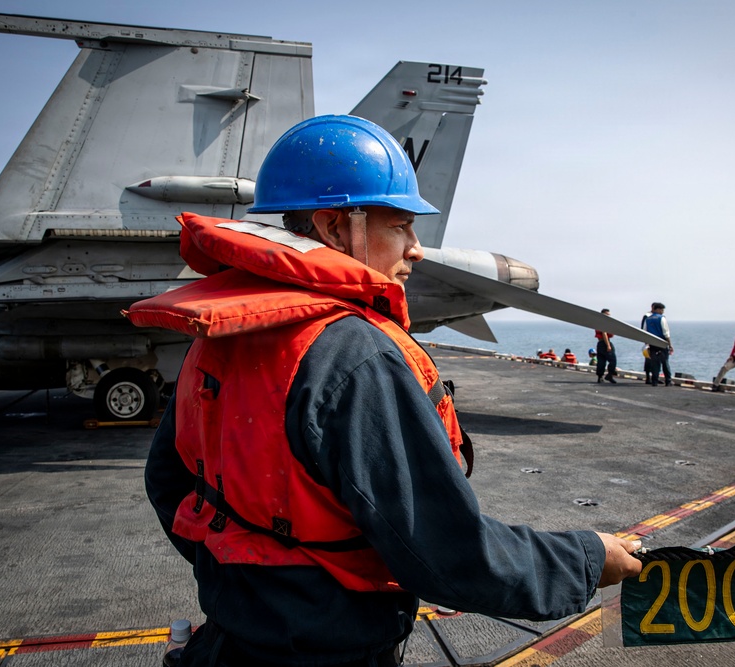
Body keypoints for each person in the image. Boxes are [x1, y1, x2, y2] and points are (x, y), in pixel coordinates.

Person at [129, 115, 642, 667]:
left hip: (231, 640)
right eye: (400, 226)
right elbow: (447, 552)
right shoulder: (355, 356)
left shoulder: (219, 336)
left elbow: (170, 482)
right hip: (332, 651)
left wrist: (250, 584)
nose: (416, 249)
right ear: (333, 228)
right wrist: (589, 558)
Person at [641, 302, 674, 386]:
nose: (663, 311)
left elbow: (644, 331)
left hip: (652, 343)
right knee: (665, 362)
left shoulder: (648, 319)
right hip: (661, 342)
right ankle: (668, 380)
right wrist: (670, 345)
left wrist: (647, 344)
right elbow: (666, 333)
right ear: (658, 309)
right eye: (662, 310)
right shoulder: (662, 318)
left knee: (655, 363)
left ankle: (654, 381)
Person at [593, 309, 617, 384]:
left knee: (601, 360)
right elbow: (604, 334)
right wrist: (608, 345)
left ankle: (600, 377)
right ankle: (609, 375)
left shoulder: (598, 323)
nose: (609, 316)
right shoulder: (603, 323)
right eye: (607, 315)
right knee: (613, 360)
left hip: (599, 343)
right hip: (604, 343)